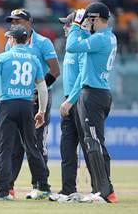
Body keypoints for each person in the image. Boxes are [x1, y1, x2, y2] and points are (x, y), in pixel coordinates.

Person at [60, 2, 118, 204]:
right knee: (95, 141)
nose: (87, 24)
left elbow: (72, 46)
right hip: (99, 92)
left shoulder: (101, 38)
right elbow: (84, 49)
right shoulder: (107, 37)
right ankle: (103, 188)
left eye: (89, 20)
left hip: (93, 93)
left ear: (93, 19)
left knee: (93, 142)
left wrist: (76, 26)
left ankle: (104, 192)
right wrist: (84, 30)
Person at [0, 25, 51, 201]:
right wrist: (42, 111)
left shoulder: (3, 57)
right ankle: (43, 186)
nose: (8, 40)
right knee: (32, 146)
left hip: (8, 105)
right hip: (26, 105)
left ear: (13, 40)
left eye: (9, 38)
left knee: (5, 149)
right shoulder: (34, 59)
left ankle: (3, 191)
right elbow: (42, 88)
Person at [4, 8, 60, 199]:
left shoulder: (43, 42)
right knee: (14, 144)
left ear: (28, 23)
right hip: (20, 99)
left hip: (39, 99)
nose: (14, 24)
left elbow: (55, 71)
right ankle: (8, 187)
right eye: (12, 22)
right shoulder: (10, 42)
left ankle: (40, 186)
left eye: (17, 21)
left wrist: (37, 91)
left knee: (36, 142)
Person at [49, 12, 93, 202]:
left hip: (79, 101)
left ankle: (99, 189)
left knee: (89, 147)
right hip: (70, 101)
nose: (65, 28)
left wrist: (71, 100)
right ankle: (68, 189)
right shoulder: (71, 48)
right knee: (67, 148)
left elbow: (83, 79)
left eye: (68, 24)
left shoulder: (85, 46)